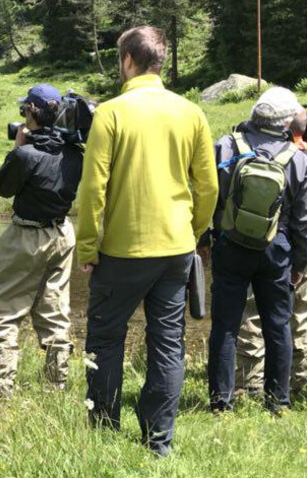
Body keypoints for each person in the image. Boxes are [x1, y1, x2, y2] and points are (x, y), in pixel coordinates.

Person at [76, 26, 218, 456]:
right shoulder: (191, 112)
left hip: (121, 251)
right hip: (176, 249)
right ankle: (159, 441)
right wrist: (192, 232)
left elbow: (92, 189)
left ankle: (103, 431)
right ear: (159, 61)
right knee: (168, 342)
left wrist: (86, 247)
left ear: (127, 61)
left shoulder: (111, 112)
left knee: (105, 339)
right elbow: (209, 187)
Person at [206, 87, 307, 413]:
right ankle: (278, 403)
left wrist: (204, 239)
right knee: (278, 326)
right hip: (277, 249)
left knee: (225, 325)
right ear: (286, 122)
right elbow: (305, 220)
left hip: (230, 245)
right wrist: (299, 262)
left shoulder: (225, 146)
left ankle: (220, 403)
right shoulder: (298, 159)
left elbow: (207, 197)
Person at [0, 84, 83, 397]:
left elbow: (2, 188)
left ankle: (0, 384)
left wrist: (17, 149)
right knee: (54, 307)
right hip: (63, 234)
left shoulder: (25, 154)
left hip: (26, 236)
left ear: (33, 112)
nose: (23, 114)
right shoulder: (75, 154)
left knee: (1, 307)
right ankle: (57, 384)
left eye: (25, 109)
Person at [236, 108, 307, 396]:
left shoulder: (264, 151)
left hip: (270, 235)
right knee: (301, 309)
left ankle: (250, 381)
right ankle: (297, 378)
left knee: (252, 310)